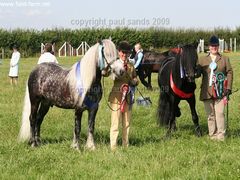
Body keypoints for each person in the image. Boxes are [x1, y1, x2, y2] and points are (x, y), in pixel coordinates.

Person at [196, 35, 233, 141]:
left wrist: (228, 87)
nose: (214, 47)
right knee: (210, 114)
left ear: (218, 46)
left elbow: (229, 72)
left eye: (216, 45)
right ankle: (212, 135)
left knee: (220, 113)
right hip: (206, 91)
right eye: (212, 46)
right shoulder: (202, 59)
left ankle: (221, 135)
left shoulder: (224, 59)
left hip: (221, 91)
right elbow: (198, 74)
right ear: (209, 47)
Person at [104, 41, 139, 150]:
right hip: (116, 97)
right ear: (119, 52)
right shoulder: (114, 64)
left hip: (128, 97)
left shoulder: (131, 65)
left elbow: (135, 78)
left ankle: (125, 145)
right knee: (115, 123)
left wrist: (134, 81)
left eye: (127, 53)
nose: (124, 55)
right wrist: (105, 69)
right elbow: (106, 74)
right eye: (122, 52)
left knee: (127, 123)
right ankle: (113, 147)